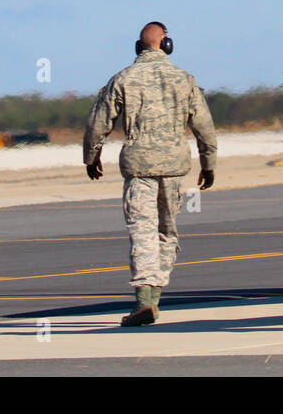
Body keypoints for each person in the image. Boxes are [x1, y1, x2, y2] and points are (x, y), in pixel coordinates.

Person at [83, 21, 217, 327]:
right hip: (173, 168)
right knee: (166, 232)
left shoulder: (123, 79)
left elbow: (98, 123)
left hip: (139, 168)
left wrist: (91, 157)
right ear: (167, 45)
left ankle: (144, 301)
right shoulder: (184, 80)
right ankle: (153, 299)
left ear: (138, 47)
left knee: (142, 231)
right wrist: (209, 163)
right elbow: (205, 127)